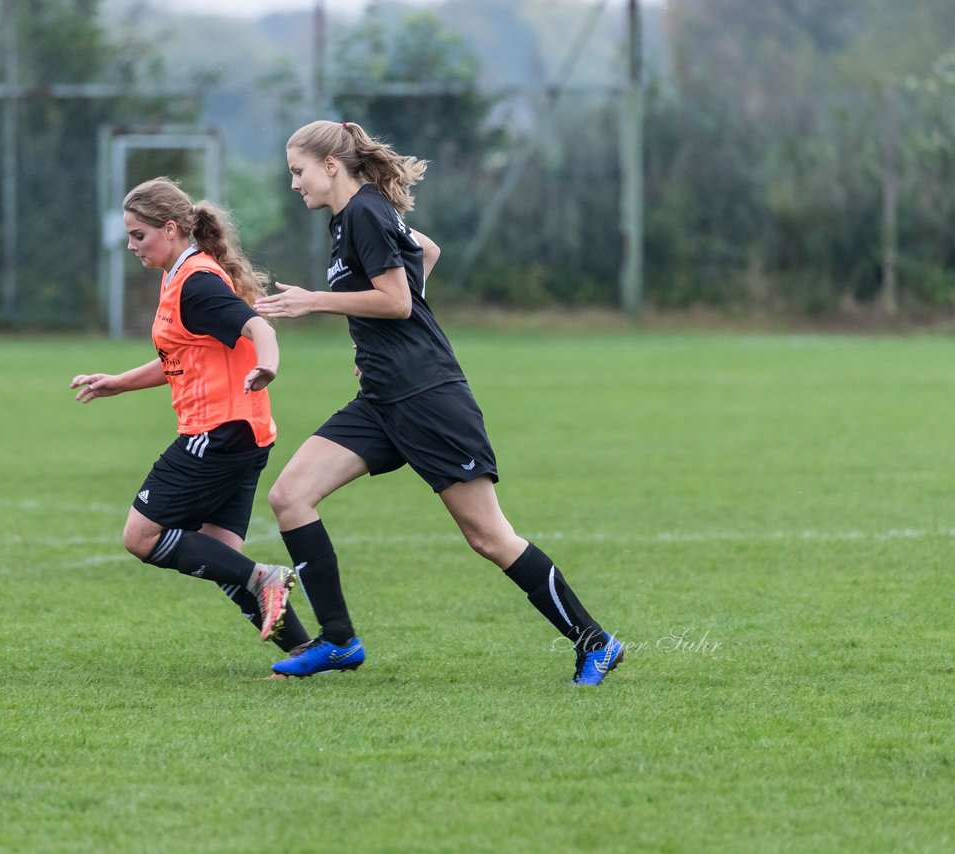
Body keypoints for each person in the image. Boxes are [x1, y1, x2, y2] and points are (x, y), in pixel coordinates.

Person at [254, 120, 624, 685]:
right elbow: (426, 250)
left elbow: (397, 300)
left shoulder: (365, 213)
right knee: (290, 496)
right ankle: (338, 641)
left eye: (297, 172)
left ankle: (594, 642)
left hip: (428, 397)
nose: (294, 184)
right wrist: (377, 344)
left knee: (489, 537)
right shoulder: (354, 216)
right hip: (381, 397)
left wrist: (315, 302)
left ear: (331, 165)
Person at [70, 177, 308, 652]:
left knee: (141, 536)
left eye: (139, 234)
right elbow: (183, 358)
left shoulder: (196, 283)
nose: (132, 245)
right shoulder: (181, 276)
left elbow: (259, 327)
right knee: (221, 556)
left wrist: (269, 365)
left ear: (173, 228)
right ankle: (307, 650)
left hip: (217, 432)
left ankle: (266, 576)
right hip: (245, 433)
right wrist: (120, 381)